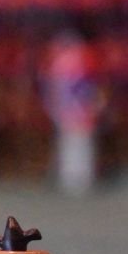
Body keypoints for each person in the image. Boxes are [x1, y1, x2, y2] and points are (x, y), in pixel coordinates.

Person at [43, 33, 105, 195]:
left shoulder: (60, 63)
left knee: (71, 143)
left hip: (70, 109)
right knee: (80, 144)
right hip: (78, 109)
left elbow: (54, 90)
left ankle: (72, 177)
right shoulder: (84, 62)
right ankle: (81, 177)